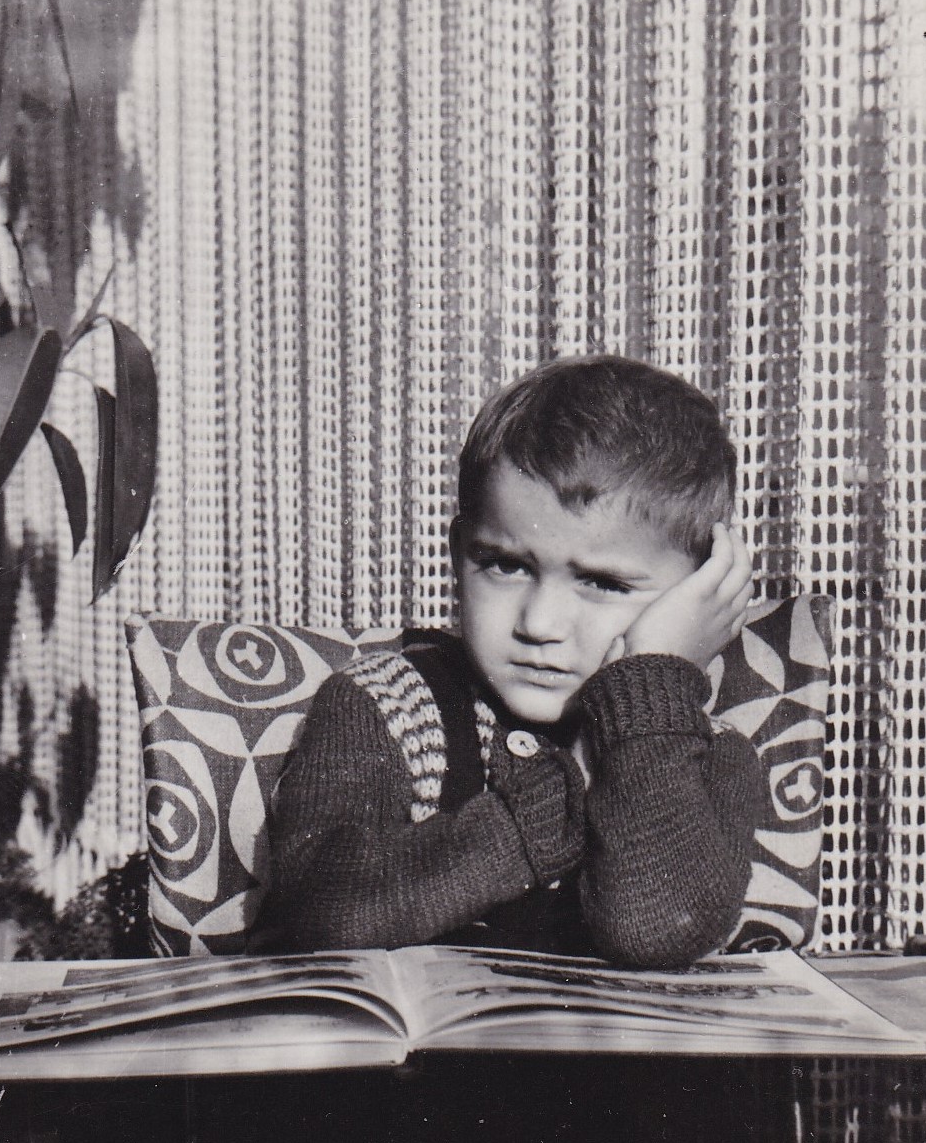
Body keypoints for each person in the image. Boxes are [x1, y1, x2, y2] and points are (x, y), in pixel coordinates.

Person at [260, 352, 768, 968]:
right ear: (459, 554)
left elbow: (657, 933)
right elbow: (324, 913)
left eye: (603, 583)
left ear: (697, 593)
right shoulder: (387, 704)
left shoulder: (710, 755)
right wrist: (560, 796)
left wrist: (651, 686)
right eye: (505, 565)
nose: (538, 624)